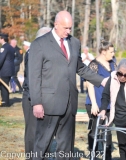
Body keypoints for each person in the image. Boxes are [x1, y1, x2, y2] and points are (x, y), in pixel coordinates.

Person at [28, 11, 107, 159]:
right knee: (42, 145)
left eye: (70, 28)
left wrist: (101, 80)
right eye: (65, 28)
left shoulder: (74, 42)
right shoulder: (40, 44)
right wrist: (36, 103)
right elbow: (34, 76)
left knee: (66, 148)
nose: (68, 31)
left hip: (70, 103)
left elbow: (80, 68)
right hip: (48, 104)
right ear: (56, 24)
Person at [22, 27, 51, 160]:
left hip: (44, 97)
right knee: (32, 132)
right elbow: (31, 78)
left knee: (45, 132)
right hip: (32, 98)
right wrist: (35, 100)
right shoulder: (32, 51)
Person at [85, 40, 116, 160]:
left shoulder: (113, 63)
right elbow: (89, 84)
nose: (113, 54)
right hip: (96, 103)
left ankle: (107, 156)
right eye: (111, 51)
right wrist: (93, 103)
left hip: (109, 103)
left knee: (107, 131)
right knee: (95, 131)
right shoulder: (94, 64)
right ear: (103, 51)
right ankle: (93, 154)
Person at [0, 33, 15, 107]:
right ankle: (5, 101)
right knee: (5, 86)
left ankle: (5, 102)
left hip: (4, 70)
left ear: (2, 39)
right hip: (9, 70)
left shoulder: (4, 48)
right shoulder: (10, 47)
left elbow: (1, 60)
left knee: (4, 87)